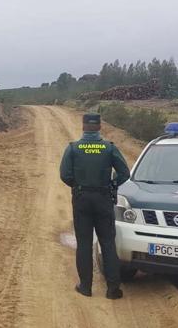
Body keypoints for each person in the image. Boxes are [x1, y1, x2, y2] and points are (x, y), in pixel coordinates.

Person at [59, 113, 130, 299]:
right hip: (103, 198)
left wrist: (78, 186)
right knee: (107, 243)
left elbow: (64, 175)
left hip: (82, 198)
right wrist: (113, 184)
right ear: (99, 127)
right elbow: (124, 172)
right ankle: (113, 289)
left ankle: (85, 287)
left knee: (83, 243)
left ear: (83, 126)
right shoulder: (109, 148)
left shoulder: (73, 148)